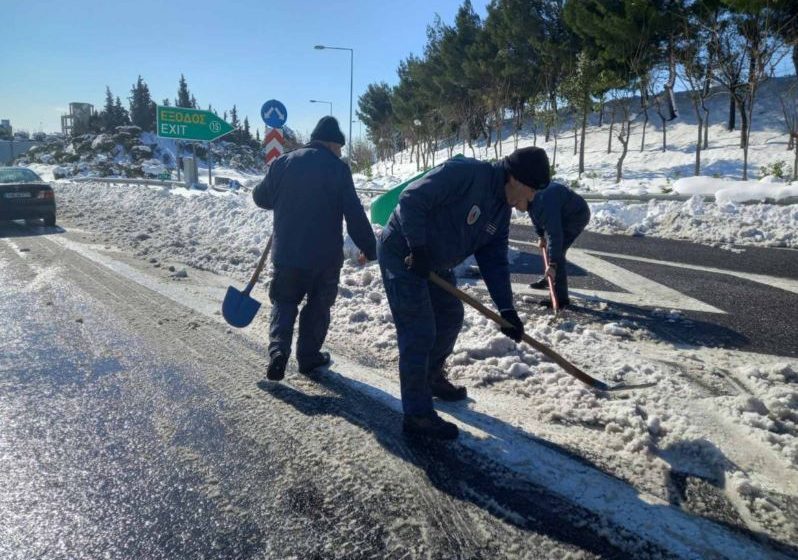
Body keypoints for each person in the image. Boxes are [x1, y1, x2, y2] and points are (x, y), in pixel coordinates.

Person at [378, 150, 544, 440]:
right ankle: (416, 414)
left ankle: (430, 376)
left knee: (450, 316)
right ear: (516, 179)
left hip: (435, 262)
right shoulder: (467, 173)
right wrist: (417, 248)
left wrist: (507, 310)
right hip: (404, 252)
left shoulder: (500, 211)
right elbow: (411, 199)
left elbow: (494, 261)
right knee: (419, 331)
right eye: (531, 191)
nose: (530, 201)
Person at [253, 116, 376, 381]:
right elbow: (354, 214)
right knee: (318, 307)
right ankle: (308, 357)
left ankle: (278, 351)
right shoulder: (338, 169)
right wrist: (371, 247)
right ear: (332, 144)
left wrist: (283, 195)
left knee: (284, 302)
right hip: (324, 259)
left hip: (287, 253)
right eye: (340, 147)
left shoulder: (283, 163)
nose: (340, 152)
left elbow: (260, 198)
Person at [516, 148, 591, 309]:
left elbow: (555, 235)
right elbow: (533, 216)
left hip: (576, 215)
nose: (516, 206)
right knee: (550, 249)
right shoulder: (530, 198)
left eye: (516, 204)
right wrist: (540, 235)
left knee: (556, 252)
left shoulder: (543, 203)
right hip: (561, 211)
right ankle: (549, 277)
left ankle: (560, 297)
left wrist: (554, 265)